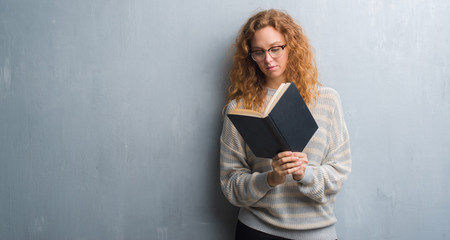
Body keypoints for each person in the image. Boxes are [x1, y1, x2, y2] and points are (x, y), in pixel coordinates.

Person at [220, 9, 352, 240]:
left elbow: (339, 172)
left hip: (317, 232)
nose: (268, 59)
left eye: (275, 49)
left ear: (291, 45)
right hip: (258, 230)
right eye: (258, 52)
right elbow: (231, 185)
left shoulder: (327, 100)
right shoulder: (239, 109)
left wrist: (305, 173)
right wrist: (270, 178)